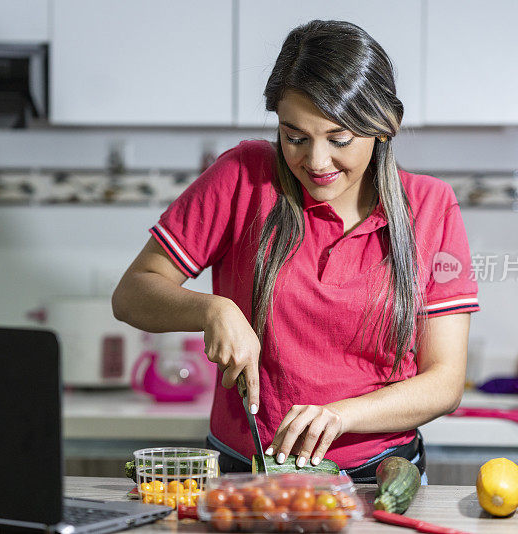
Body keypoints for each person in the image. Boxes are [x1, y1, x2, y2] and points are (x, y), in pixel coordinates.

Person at [112, 20, 479, 484]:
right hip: (244, 470)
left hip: (378, 474)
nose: (316, 161)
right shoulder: (243, 177)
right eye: (295, 137)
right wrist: (212, 310)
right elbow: (131, 295)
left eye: (339, 138)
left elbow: (444, 382)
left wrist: (341, 416)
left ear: (385, 126)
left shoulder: (430, 206)